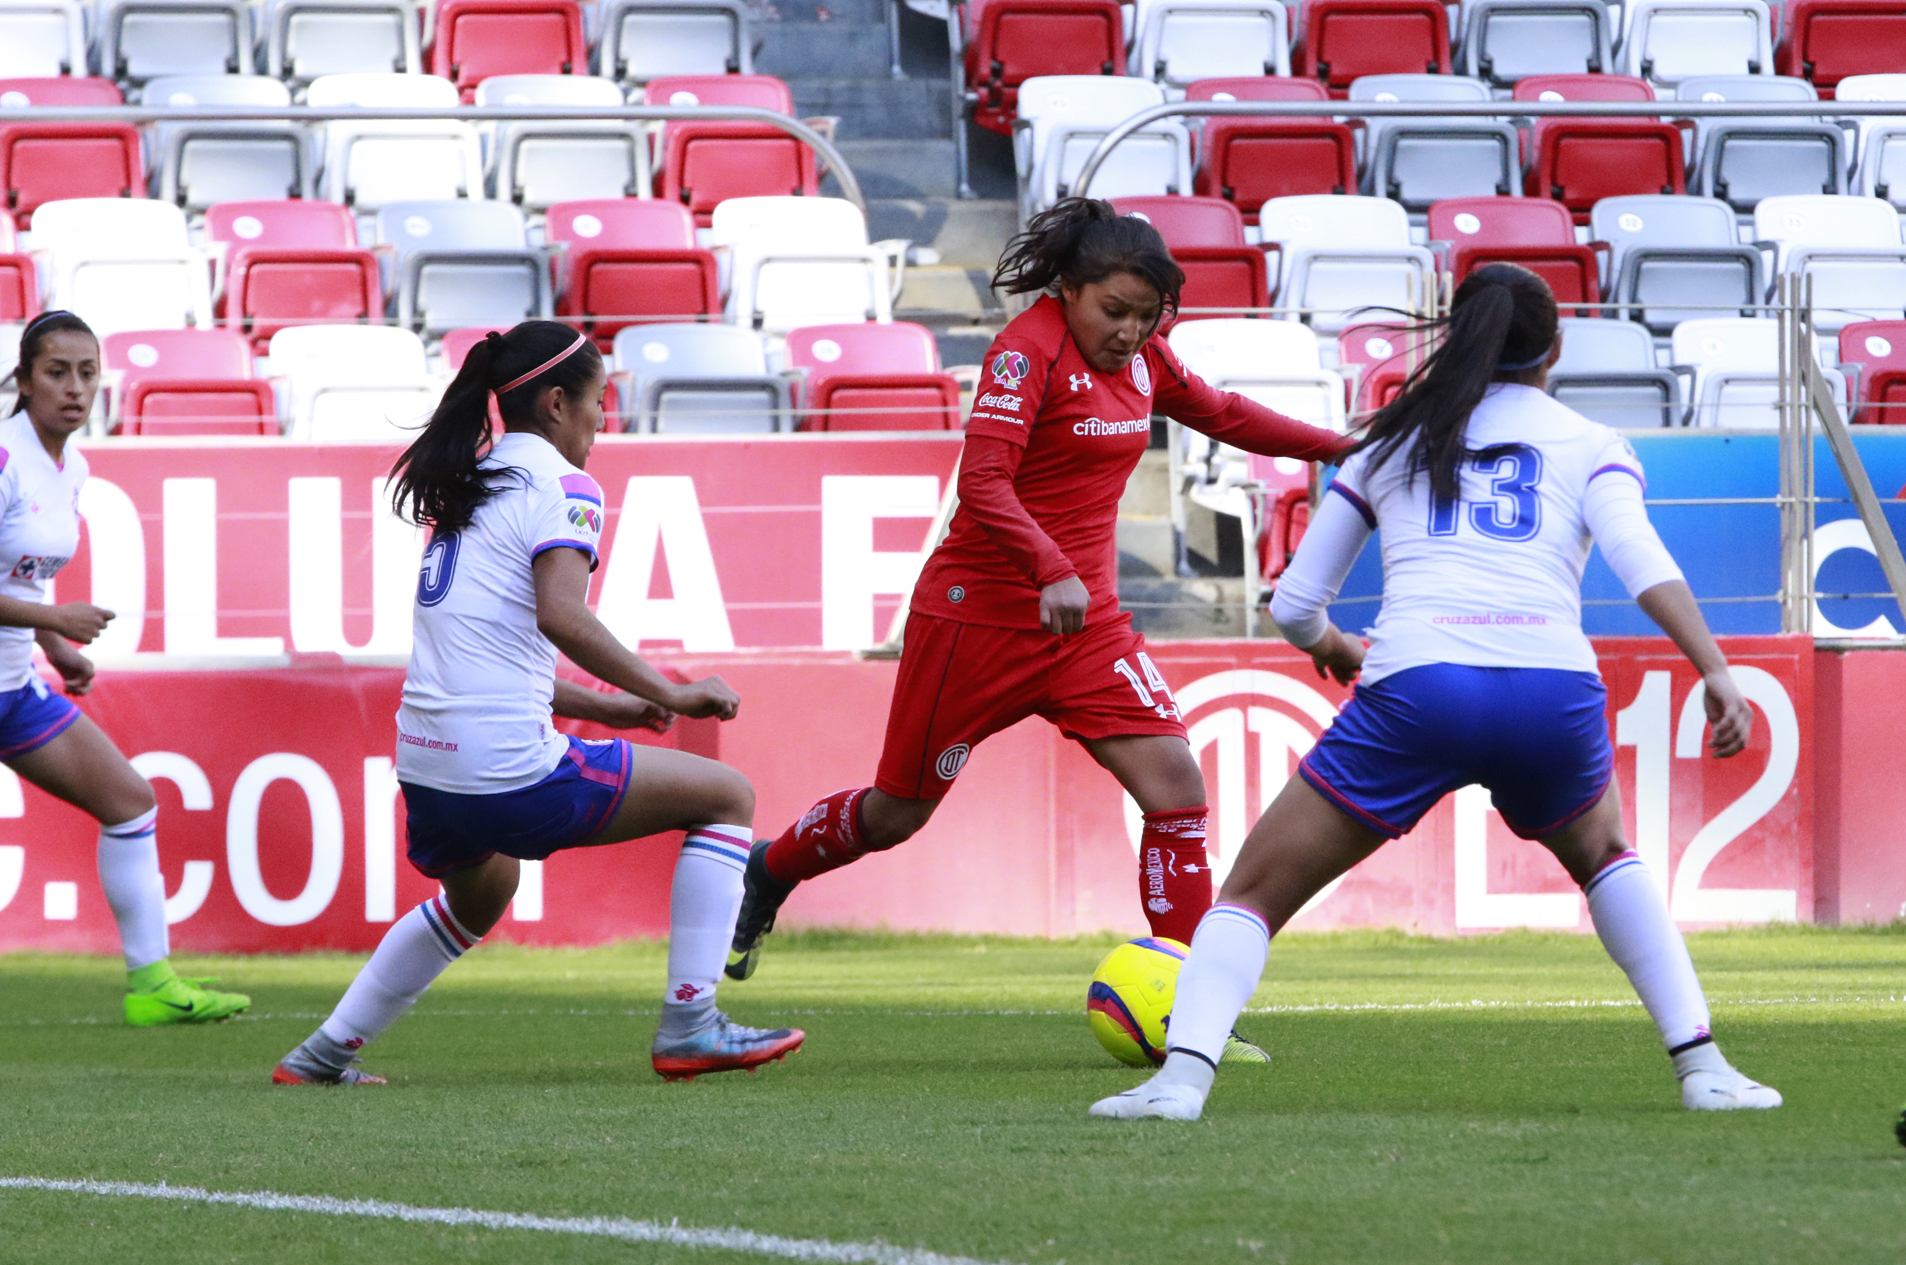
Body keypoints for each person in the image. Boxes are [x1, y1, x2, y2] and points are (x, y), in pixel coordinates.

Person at [1090, 264, 1783, 1121]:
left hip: (1417, 689)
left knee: (1251, 895)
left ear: (1455, 337)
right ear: (1555, 349)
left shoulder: (1388, 442)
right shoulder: (1591, 441)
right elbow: (1644, 563)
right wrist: (1713, 667)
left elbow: (1298, 602)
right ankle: (1705, 1067)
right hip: (1550, 692)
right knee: (1607, 858)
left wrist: (1337, 648)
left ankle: (1181, 1083)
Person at [725, 199, 1354, 1065]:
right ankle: (772, 868)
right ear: (1069, 288)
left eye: (1147, 316)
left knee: (1176, 789)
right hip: (976, 621)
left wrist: (1339, 448)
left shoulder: (1145, 361)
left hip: (1087, 626)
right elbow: (984, 479)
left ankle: (1197, 1012)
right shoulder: (1026, 351)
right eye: (1115, 311)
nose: (1131, 332)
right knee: (897, 810)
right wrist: (1049, 564)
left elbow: (1226, 413)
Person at [274, 320, 803, 1085]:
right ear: (557, 402)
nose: (602, 421)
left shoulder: (476, 481)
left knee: (482, 894)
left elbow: (487, 648)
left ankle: (321, 1055)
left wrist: (605, 704)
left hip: (427, 771)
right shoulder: (563, 484)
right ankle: (692, 1023)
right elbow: (563, 613)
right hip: (506, 769)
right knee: (727, 796)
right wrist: (668, 690)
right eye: (597, 401)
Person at [0, 312, 251, 1025]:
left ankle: (152, 986)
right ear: (24, 380)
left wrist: (56, 649)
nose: (75, 388)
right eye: (57, 372)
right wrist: (54, 621)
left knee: (131, 802)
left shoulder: (70, 466)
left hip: (13, 689)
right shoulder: (3, 458)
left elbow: (21, 575)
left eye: (87, 372)